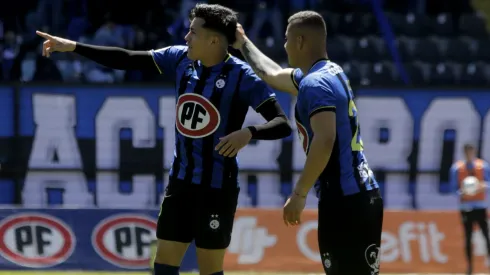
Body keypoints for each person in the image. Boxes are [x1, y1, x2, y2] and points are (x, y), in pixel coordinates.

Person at [37, 4, 292, 275]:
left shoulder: (242, 76)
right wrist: (74, 46)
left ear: (214, 40)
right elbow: (127, 58)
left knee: (210, 271)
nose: (186, 38)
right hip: (180, 184)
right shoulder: (180, 59)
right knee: (163, 268)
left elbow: (281, 124)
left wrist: (249, 133)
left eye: (193, 32)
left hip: (217, 189)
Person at [232, 11, 384, 275]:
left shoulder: (315, 84)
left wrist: (299, 193)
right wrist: (243, 43)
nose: (285, 45)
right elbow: (272, 73)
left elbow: (325, 140)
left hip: (345, 200)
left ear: (300, 41)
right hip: (359, 194)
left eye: (287, 39)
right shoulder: (328, 73)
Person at [450, 144, 490, 275]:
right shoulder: (457, 168)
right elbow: (452, 188)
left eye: (471, 151)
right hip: (465, 206)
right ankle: (469, 268)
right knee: (468, 237)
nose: (469, 154)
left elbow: (488, 183)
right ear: (464, 152)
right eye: (467, 152)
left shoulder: (483, 166)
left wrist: (483, 186)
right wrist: (461, 191)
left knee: (486, 235)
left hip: (480, 206)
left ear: (474, 152)